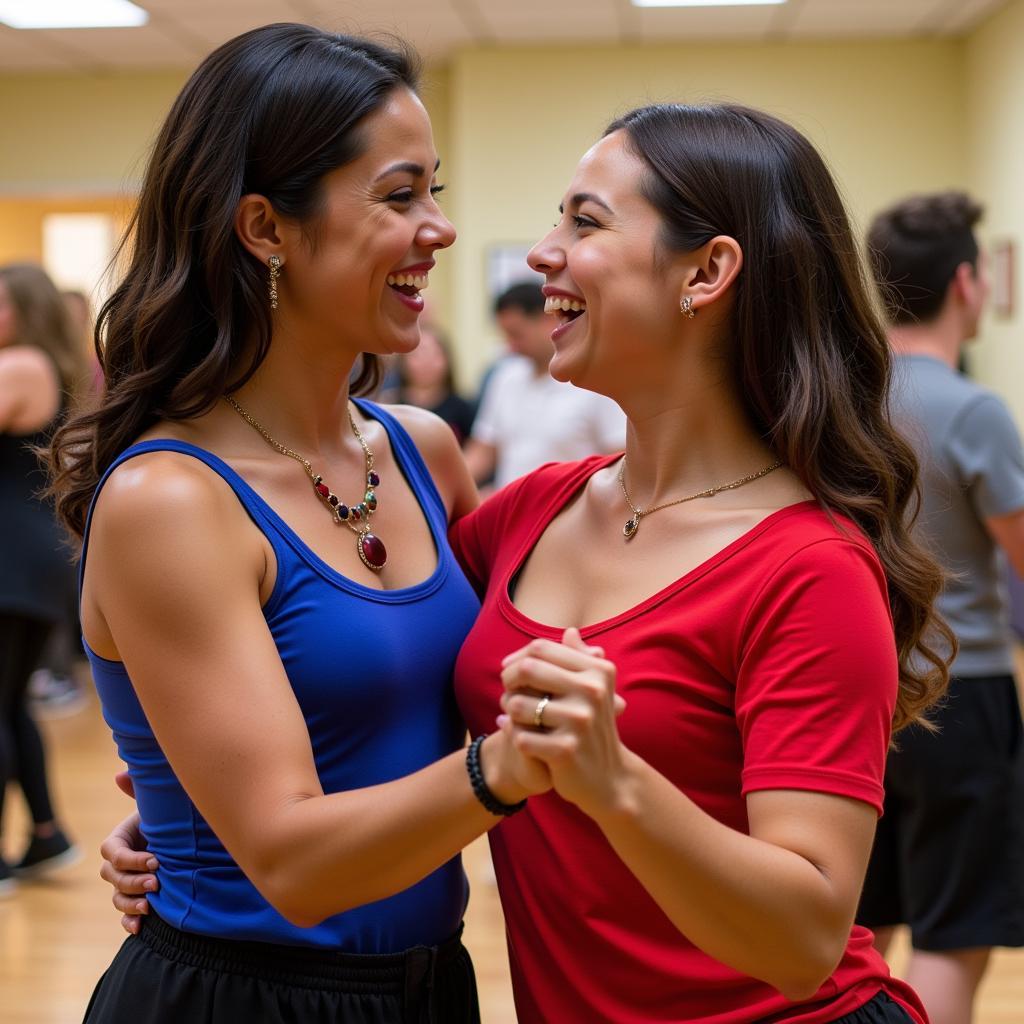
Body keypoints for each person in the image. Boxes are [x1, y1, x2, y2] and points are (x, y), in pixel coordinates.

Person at [106, 101, 953, 1023]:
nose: (541, 253)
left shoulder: (810, 566)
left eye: (584, 222)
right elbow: (369, 660)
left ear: (707, 272)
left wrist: (613, 781)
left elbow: (805, 943)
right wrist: (188, 803)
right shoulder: (530, 513)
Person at [50, 24, 550, 1024]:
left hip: (427, 984)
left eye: (434, 192)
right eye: (399, 195)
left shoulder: (421, 452)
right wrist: (510, 762)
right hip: (237, 999)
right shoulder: (172, 501)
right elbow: (290, 856)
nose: (438, 230)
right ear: (265, 229)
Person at [855, 192, 1024, 1024]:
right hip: (964, 699)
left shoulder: (843, 401)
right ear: (967, 283)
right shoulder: (974, 411)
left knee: (856, 930)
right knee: (952, 932)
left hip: (858, 691)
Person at [0, 262, 85, 892]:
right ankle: (47, 833)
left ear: (25, 311)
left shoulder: (21, 364)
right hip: (32, 557)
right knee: (9, 706)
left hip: (11, 558)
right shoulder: (48, 366)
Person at [463, 281, 624, 489]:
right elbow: (483, 451)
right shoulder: (505, 377)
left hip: (570, 514)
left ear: (549, 320)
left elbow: (619, 459)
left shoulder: (596, 381)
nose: (510, 345)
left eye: (516, 334)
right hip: (512, 511)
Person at [394, 323, 476, 444]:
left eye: (434, 354)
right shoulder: (389, 405)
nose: (426, 362)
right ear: (403, 361)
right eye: (418, 354)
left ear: (447, 359)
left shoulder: (463, 409)